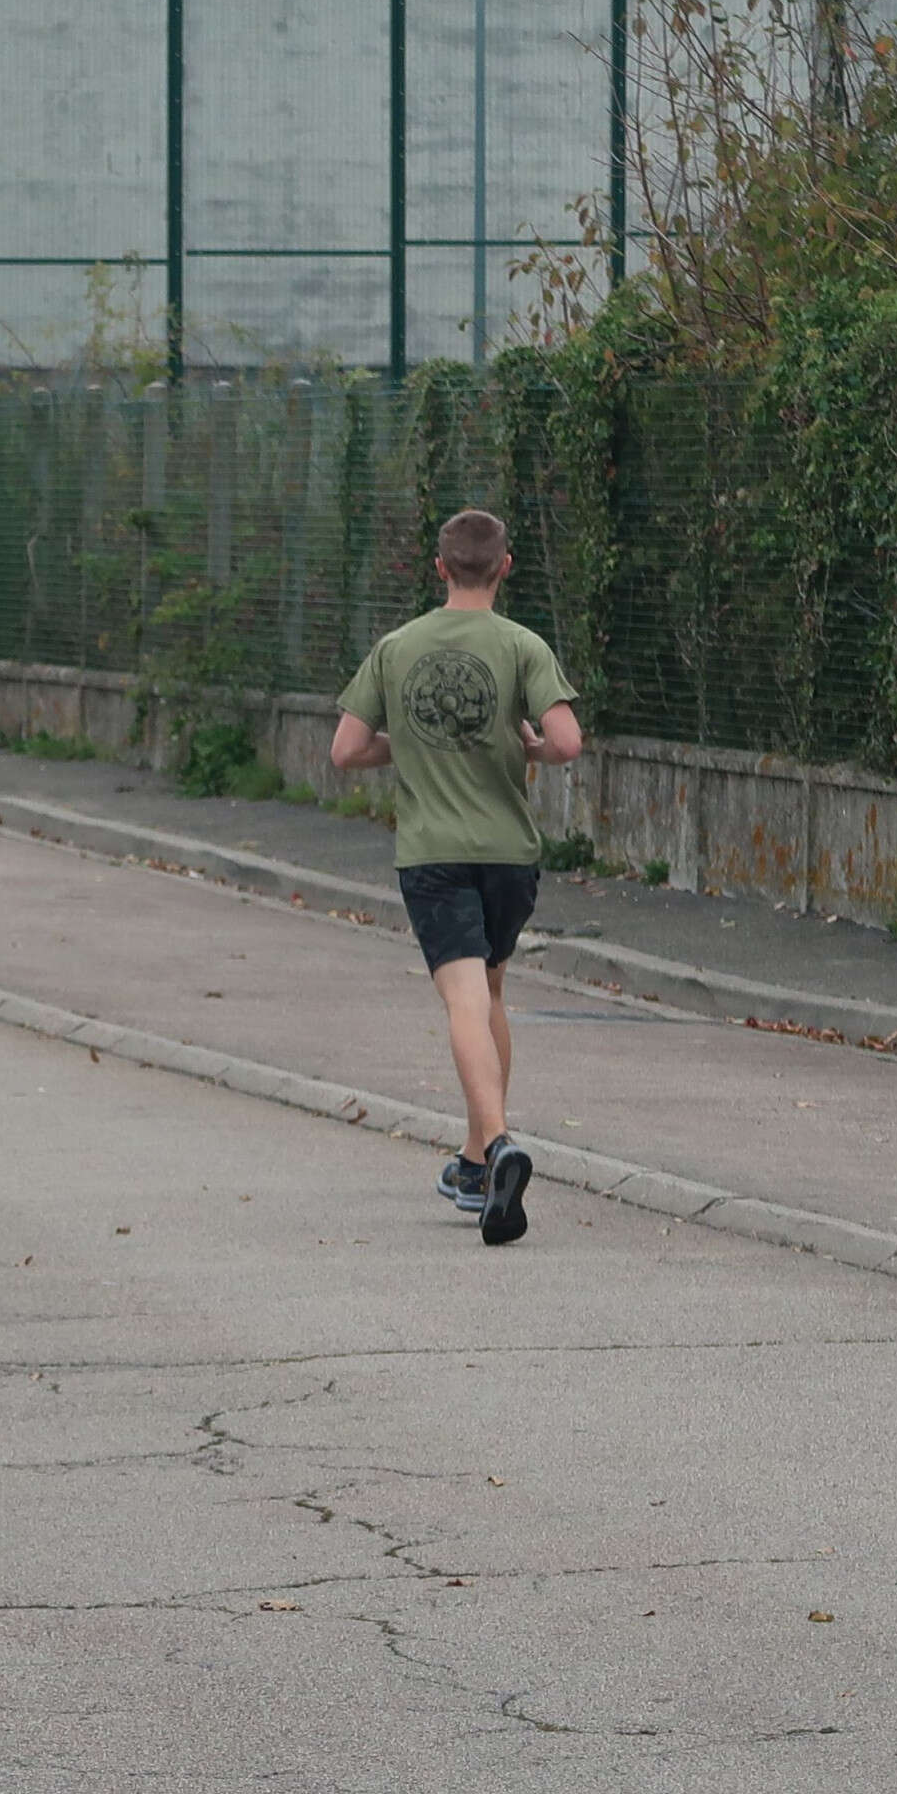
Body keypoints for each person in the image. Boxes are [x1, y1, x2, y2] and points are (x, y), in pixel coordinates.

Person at [332, 508, 584, 1244]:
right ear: (506, 567)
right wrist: (522, 747)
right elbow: (566, 741)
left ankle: (500, 1142)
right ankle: (475, 1164)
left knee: (464, 1001)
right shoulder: (522, 646)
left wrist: (408, 749)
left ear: (439, 568)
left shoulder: (396, 647)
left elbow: (345, 751)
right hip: (510, 854)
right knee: (492, 991)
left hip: (435, 855)